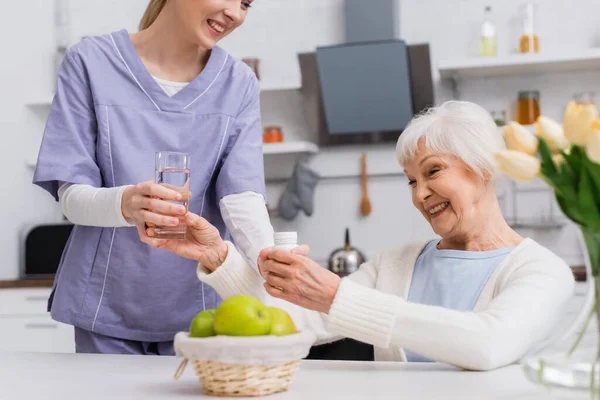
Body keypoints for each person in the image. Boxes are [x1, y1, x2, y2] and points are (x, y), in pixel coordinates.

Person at [150, 101, 576, 371]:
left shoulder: (544, 271)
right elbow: (289, 321)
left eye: (432, 171)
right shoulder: (397, 263)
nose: (421, 194)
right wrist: (220, 258)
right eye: (411, 181)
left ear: (483, 167)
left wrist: (337, 296)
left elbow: (487, 344)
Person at [32, 0, 283, 355]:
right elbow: (72, 197)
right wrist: (126, 204)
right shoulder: (91, 63)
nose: (235, 13)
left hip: (199, 313)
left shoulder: (238, 83)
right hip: (107, 306)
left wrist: (271, 262)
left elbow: (241, 198)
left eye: (245, 4)